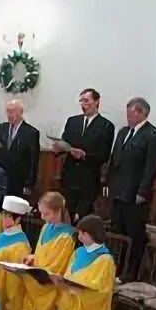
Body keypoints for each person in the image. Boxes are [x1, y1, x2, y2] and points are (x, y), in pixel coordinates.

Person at [106, 97, 156, 281]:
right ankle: (116, 267)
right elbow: (114, 159)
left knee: (134, 233)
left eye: (130, 114)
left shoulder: (153, 136)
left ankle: (131, 272)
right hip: (118, 190)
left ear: (141, 113)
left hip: (135, 193)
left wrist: (142, 191)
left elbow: (151, 167)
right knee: (117, 231)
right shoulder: (124, 132)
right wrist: (108, 183)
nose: (127, 117)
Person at [17, 192, 76, 310]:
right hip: (35, 284)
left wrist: (37, 269)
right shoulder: (45, 227)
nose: (43, 217)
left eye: (46, 214)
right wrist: (32, 258)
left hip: (47, 289)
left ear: (58, 211)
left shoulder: (67, 236)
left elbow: (57, 265)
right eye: (41, 213)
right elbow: (41, 254)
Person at [56, 88, 115, 221]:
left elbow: (104, 153)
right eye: (81, 101)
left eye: (87, 101)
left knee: (83, 217)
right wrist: (59, 148)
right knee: (66, 214)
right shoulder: (72, 121)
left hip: (88, 178)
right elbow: (65, 141)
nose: (83, 104)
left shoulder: (106, 125)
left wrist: (85, 155)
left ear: (96, 102)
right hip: (69, 175)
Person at [0, 100, 40, 199]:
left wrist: (30, 184)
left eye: (13, 111)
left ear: (21, 112)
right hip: (2, 176)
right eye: (8, 111)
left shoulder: (31, 132)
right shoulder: (0, 128)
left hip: (20, 178)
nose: (10, 115)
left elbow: (33, 159)